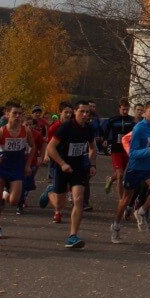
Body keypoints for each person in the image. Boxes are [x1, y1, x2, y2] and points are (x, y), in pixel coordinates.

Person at [110, 100, 150, 244]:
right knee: (126, 199)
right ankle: (115, 225)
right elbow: (133, 153)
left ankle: (141, 211)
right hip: (135, 167)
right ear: (145, 112)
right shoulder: (139, 128)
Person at [45, 100, 97, 248]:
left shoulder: (88, 128)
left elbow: (92, 148)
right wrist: (62, 164)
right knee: (60, 204)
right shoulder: (66, 127)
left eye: (88, 112)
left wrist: (92, 164)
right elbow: (50, 148)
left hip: (79, 168)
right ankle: (50, 193)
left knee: (78, 199)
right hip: (63, 167)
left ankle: (72, 235)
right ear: (75, 112)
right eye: (82, 111)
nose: (85, 114)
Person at [0, 103, 36, 239]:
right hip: (2, 168)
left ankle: (6, 193)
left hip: (17, 169)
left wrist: (28, 165)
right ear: (7, 114)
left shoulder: (25, 131)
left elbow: (33, 147)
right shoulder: (1, 132)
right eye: (15, 113)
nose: (18, 116)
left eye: (20, 114)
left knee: (14, 201)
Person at [39, 102, 73, 223]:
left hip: (69, 161)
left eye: (70, 112)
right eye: (66, 112)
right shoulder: (54, 127)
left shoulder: (73, 126)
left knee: (67, 189)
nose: (69, 115)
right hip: (56, 162)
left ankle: (52, 193)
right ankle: (57, 212)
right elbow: (49, 144)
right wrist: (47, 156)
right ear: (60, 113)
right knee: (60, 194)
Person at [103, 98, 134, 199]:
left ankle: (110, 179)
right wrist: (105, 139)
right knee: (120, 175)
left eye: (127, 109)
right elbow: (106, 130)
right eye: (123, 109)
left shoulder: (132, 120)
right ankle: (121, 200)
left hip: (127, 150)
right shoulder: (113, 120)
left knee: (119, 174)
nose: (125, 112)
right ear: (119, 109)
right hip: (116, 149)